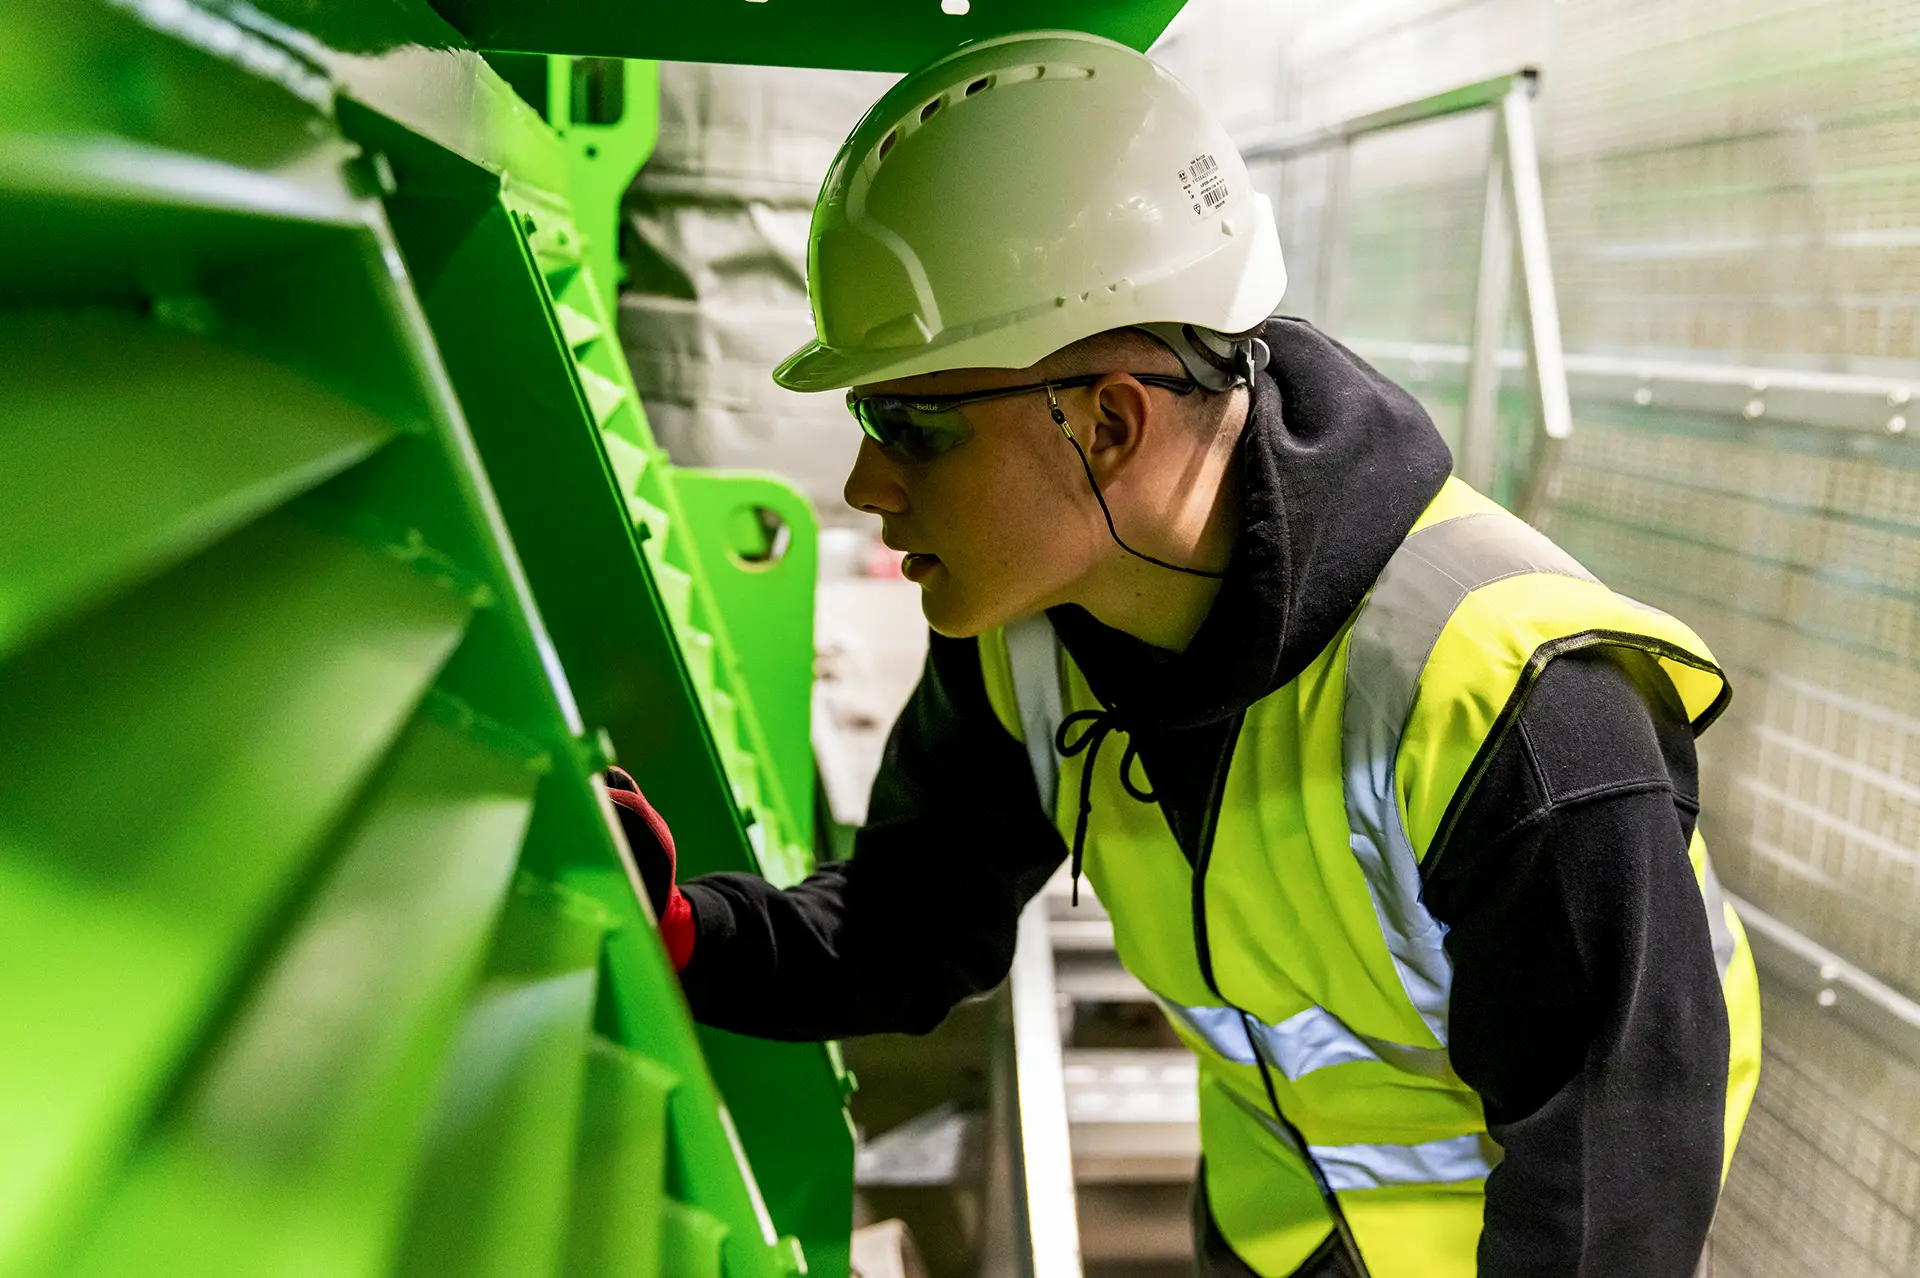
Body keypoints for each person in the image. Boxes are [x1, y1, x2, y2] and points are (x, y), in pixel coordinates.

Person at [605, 30, 1762, 1278]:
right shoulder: (1029, 643)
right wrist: (680, 929)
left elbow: (1611, 1204)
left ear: (1107, 421)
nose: (864, 483)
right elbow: (900, 935)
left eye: (912, 424)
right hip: (1279, 1236)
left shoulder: (1517, 709)